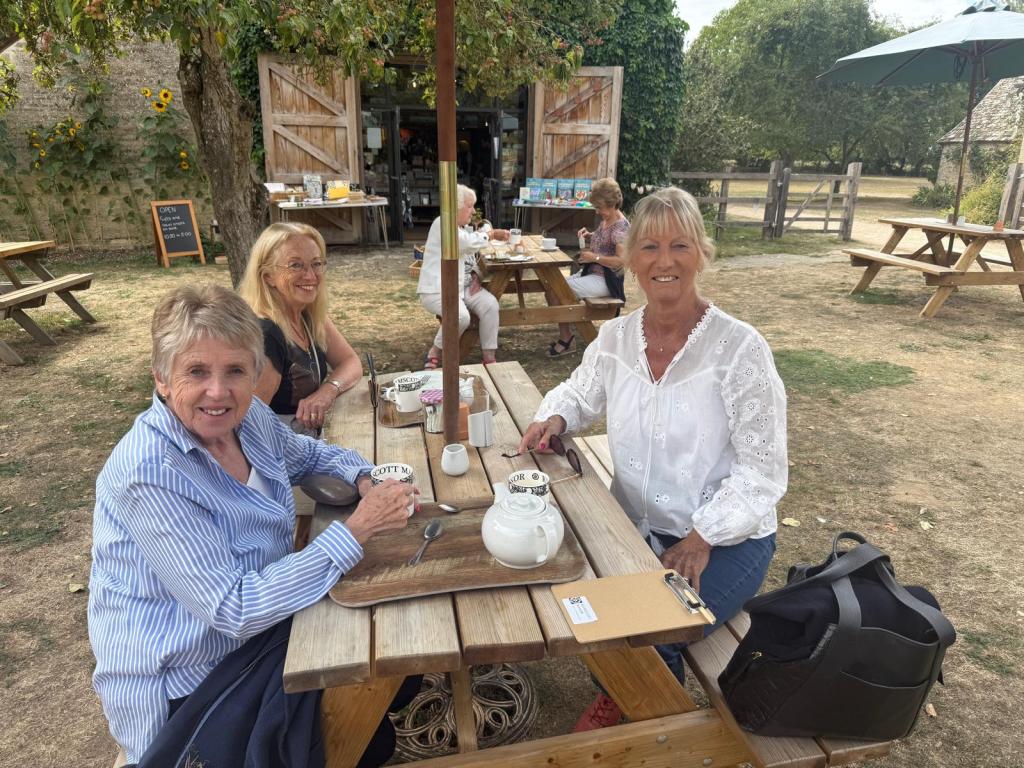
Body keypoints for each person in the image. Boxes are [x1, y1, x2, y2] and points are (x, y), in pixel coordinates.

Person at [89, 285, 418, 767]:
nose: (218, 392)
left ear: (256, 371)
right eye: (196, 371)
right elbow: (233, 608)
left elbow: (308, 456)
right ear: (161, 378)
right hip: (193, 680)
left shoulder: (248, 419)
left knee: (397, 659)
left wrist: (363, 477)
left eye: (236, 371)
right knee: (365, 725)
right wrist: (354, 531)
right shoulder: (149, 472)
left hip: (262, 633)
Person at [519, 186, 787, 731]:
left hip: (726, 540)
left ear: (701, 255)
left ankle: (641, 720)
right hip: (634, 525)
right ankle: (627, 696)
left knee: (653, 628)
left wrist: (702, 538)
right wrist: (556, 417)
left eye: (680, 246)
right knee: (573, 601)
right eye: (650, 247)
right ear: (630, 258)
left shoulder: (740, 348)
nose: (665, 261)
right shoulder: (616, 337)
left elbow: (762, 472)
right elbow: (580, 391)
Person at [238, 222, 362, 437]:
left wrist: (328, 390)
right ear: (268, 276)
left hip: (310, 443)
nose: (311, 276)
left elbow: (351, 362)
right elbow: (248, 425)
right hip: (283, 450)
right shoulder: (267, 334)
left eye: (316, 264)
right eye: (295, 265)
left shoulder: (307, 314)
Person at [417, 184, 509, 369]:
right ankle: (435, 351)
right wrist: (490, 234)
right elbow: (466, 244)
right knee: (460, 317)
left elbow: (472, 258)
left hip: (460, 287)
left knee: (490, 304)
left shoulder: (460, 228)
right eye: (470, 206)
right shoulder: (443, 223)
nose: (473, 211)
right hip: (437, 290)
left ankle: (489, 358)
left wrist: (476, 275)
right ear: (456, 206)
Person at [547, 177, 629, 358]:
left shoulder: (621, 228)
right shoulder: (608, 219)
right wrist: (590, 235)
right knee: (553, 287)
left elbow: (621, 261)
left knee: (557, 290)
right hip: (593, 274)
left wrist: (595, 257)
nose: (597, 212)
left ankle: (567, 338)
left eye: (600, 207)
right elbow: (605, 240)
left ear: (613, 204)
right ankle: (568, 334)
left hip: (607, 282)